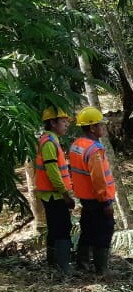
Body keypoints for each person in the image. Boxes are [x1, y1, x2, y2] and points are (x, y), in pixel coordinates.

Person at [68, 107, 117, 276]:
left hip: (85, 198)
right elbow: (98, 179)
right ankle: (101, 269)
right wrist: (106, 202)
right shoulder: (94, 150)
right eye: (100, 125)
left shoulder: (76, 145)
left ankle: (82, 264)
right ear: (92, 128)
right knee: (105, 230)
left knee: (87, 229)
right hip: (98, 199)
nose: (103, 128)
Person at [35, 107, 75, 275]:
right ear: (52, 123)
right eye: (63, 121)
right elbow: (53, 171)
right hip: (54, 194)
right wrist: (65, 194)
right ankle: (63, 267)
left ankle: (54, 265)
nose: (66, 125)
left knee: (55, 227)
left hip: (51, 193)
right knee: (62, 227)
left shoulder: (51, 140)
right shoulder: (49, 142)